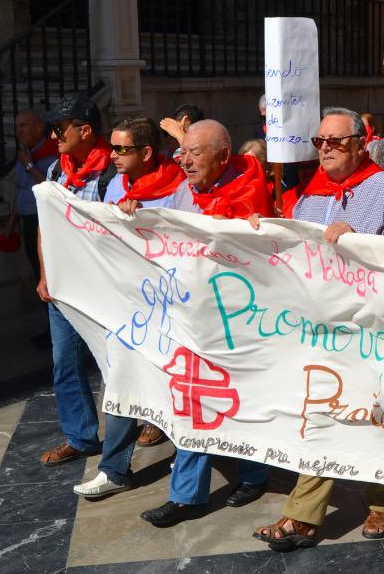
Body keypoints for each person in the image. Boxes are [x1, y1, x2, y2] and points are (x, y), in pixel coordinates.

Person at [96, 121, 277, 525]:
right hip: (188, 317)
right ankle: (187, 496)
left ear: (224, 157)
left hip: (236, 320)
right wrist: (137, 215)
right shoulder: (183, 188)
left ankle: (253, 475)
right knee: (193, 403)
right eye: (184, 151)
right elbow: (166, 229)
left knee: (241, 402)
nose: (185, 159)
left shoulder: (250, 191)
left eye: (196, 153)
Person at [252, 107, 384, 550]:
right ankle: (302, 515)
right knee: (322, 415)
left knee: (377, 419)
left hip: (371, 331)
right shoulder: (309, 194)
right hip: (322, 332)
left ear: (361, 144)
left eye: (336, 141)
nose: (325, 148)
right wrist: (262, 233)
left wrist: (362, 241)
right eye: (319, 141)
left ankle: (382, 501)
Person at [36, 91, 115, 466]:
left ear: (85, 130)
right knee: (65, 363)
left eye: (59, 127)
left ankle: (142, 430)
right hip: (63, 287)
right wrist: (44, 274)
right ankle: (81, 437)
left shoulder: (113, 170)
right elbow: (45, 228)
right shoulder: (56, 170)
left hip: (103, 287)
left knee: (116, 364)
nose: (54, 135)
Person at [103, 115, 187, 449]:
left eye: (122, 148)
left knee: (164, 363)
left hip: (166, 293)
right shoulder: (114, 185)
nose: (113, 155)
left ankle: (161, 420)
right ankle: (116, 460)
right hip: (126, 290)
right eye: (112, 148)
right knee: (128, 366)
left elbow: (181, 233)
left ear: (148, 152)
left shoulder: (178, 185)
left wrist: (142, 221)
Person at [3, 110, 57, 286]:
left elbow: (51, 188)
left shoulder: (52, 153)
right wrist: (11, 223)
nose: (18, 130)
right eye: (16, 126)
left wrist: (29, 165)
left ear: (39, 127)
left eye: (23, 125)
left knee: (49, 273)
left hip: (45, 221)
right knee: (37, 270)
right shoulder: (24, 153)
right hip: (28, 221)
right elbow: (22, 191)